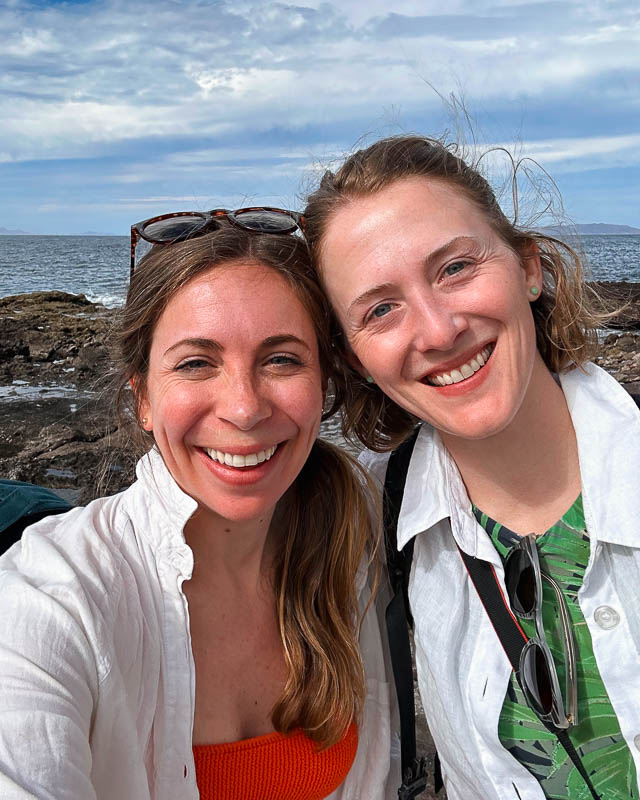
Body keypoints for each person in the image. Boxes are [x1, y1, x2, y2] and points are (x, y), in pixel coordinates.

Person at [0, 215, 398, 799]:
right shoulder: (52, 597)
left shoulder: (358, 546)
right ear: (142, 400)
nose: (243, 408)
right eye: (195, 363)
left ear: (326, 381)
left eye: (282, 359)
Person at [303, 135, 640, 800]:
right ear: (352, 357)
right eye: (380, 309)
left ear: (530, 267)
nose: (435, 330)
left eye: (455, 268)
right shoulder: (370, 523)